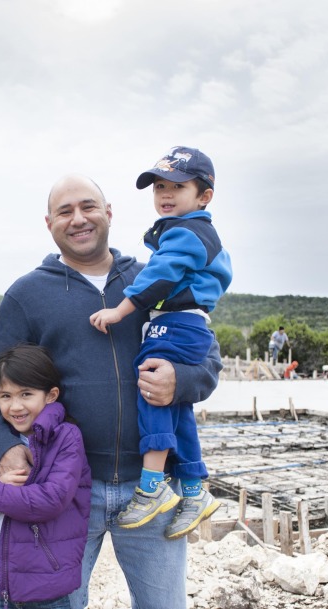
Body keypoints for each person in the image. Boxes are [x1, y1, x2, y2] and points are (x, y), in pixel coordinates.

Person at [0, 173, 223, 609]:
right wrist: (2, 447)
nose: (78, 219)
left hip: (153, 488)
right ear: (48, 223)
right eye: (64, 211)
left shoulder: (155, 280)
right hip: (66, 487)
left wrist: (179, 382)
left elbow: (208, 360)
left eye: (88, 207)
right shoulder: (28, 294)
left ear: (108, 213)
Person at [88, 146, 231, 538]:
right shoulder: (188, 231)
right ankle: (193, 489)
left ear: (204, 196)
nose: (165, 194)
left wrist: (120, 310)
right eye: (159, 187)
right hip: (183, 321)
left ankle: (151, 487)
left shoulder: (187, 232)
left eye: (177, 186)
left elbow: (162, 274)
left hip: (175, 322)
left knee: (150, 387)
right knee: (174, 403)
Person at [0, 344, 91, 609]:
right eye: (5, 396)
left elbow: (50, 500)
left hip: (45, 581)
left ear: (51, 395)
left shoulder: (66, 437)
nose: (15, 406)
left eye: (26, 394)